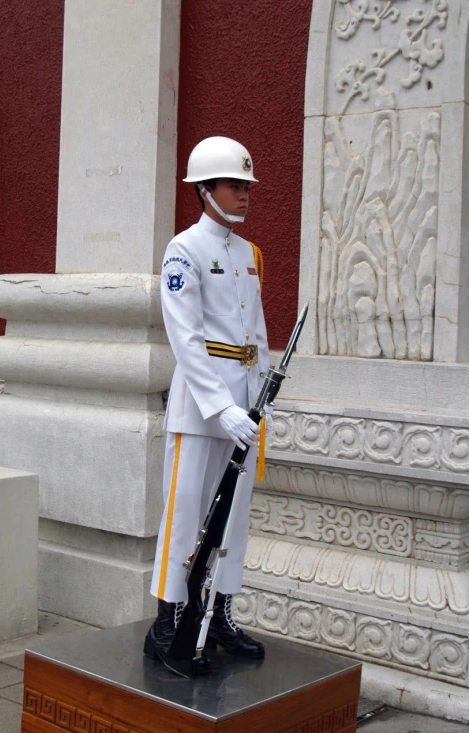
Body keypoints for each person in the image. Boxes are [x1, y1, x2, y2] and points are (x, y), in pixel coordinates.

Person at [144, 136, 272, 673]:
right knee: (187, 511)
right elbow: (186, 338)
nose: (244, 194)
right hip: (201, 408)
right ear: (205, 190)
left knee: (234, 517)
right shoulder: (184, 250)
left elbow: (257, 333)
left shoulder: (249, 254)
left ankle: (219, 613)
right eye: (234, 185)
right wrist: (220, 407)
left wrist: (261, 398)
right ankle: (169, 620)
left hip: (243, 405)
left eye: (246, 185)